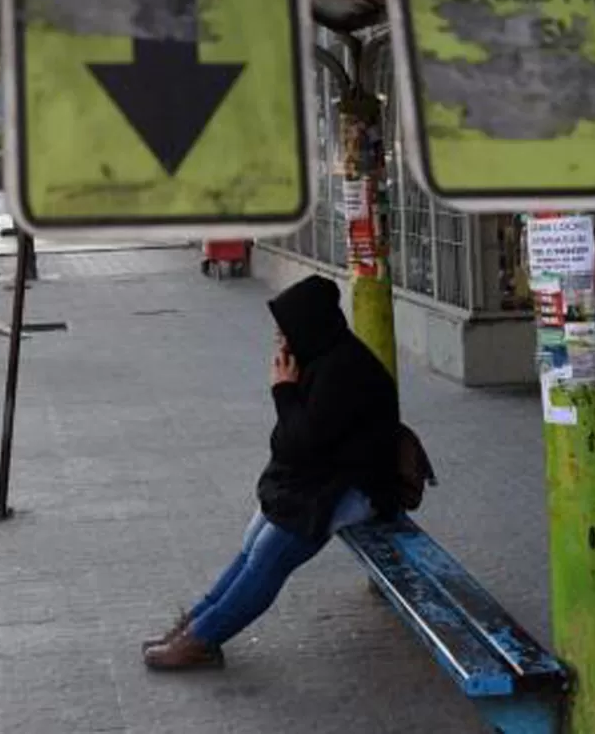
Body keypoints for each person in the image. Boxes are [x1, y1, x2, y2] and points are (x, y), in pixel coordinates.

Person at [142, 275, 401, 670]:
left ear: (308, 326)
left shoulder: (343, 372)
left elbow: (299, 443)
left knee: (269, 556)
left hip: (358, 487)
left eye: (285, 332)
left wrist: (283, 391)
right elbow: (290, 443)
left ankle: (203, 639)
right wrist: (289, 394)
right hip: (321, 476)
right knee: (253, 541)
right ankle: (197, 621)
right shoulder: (320, 358)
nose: (280, 342)